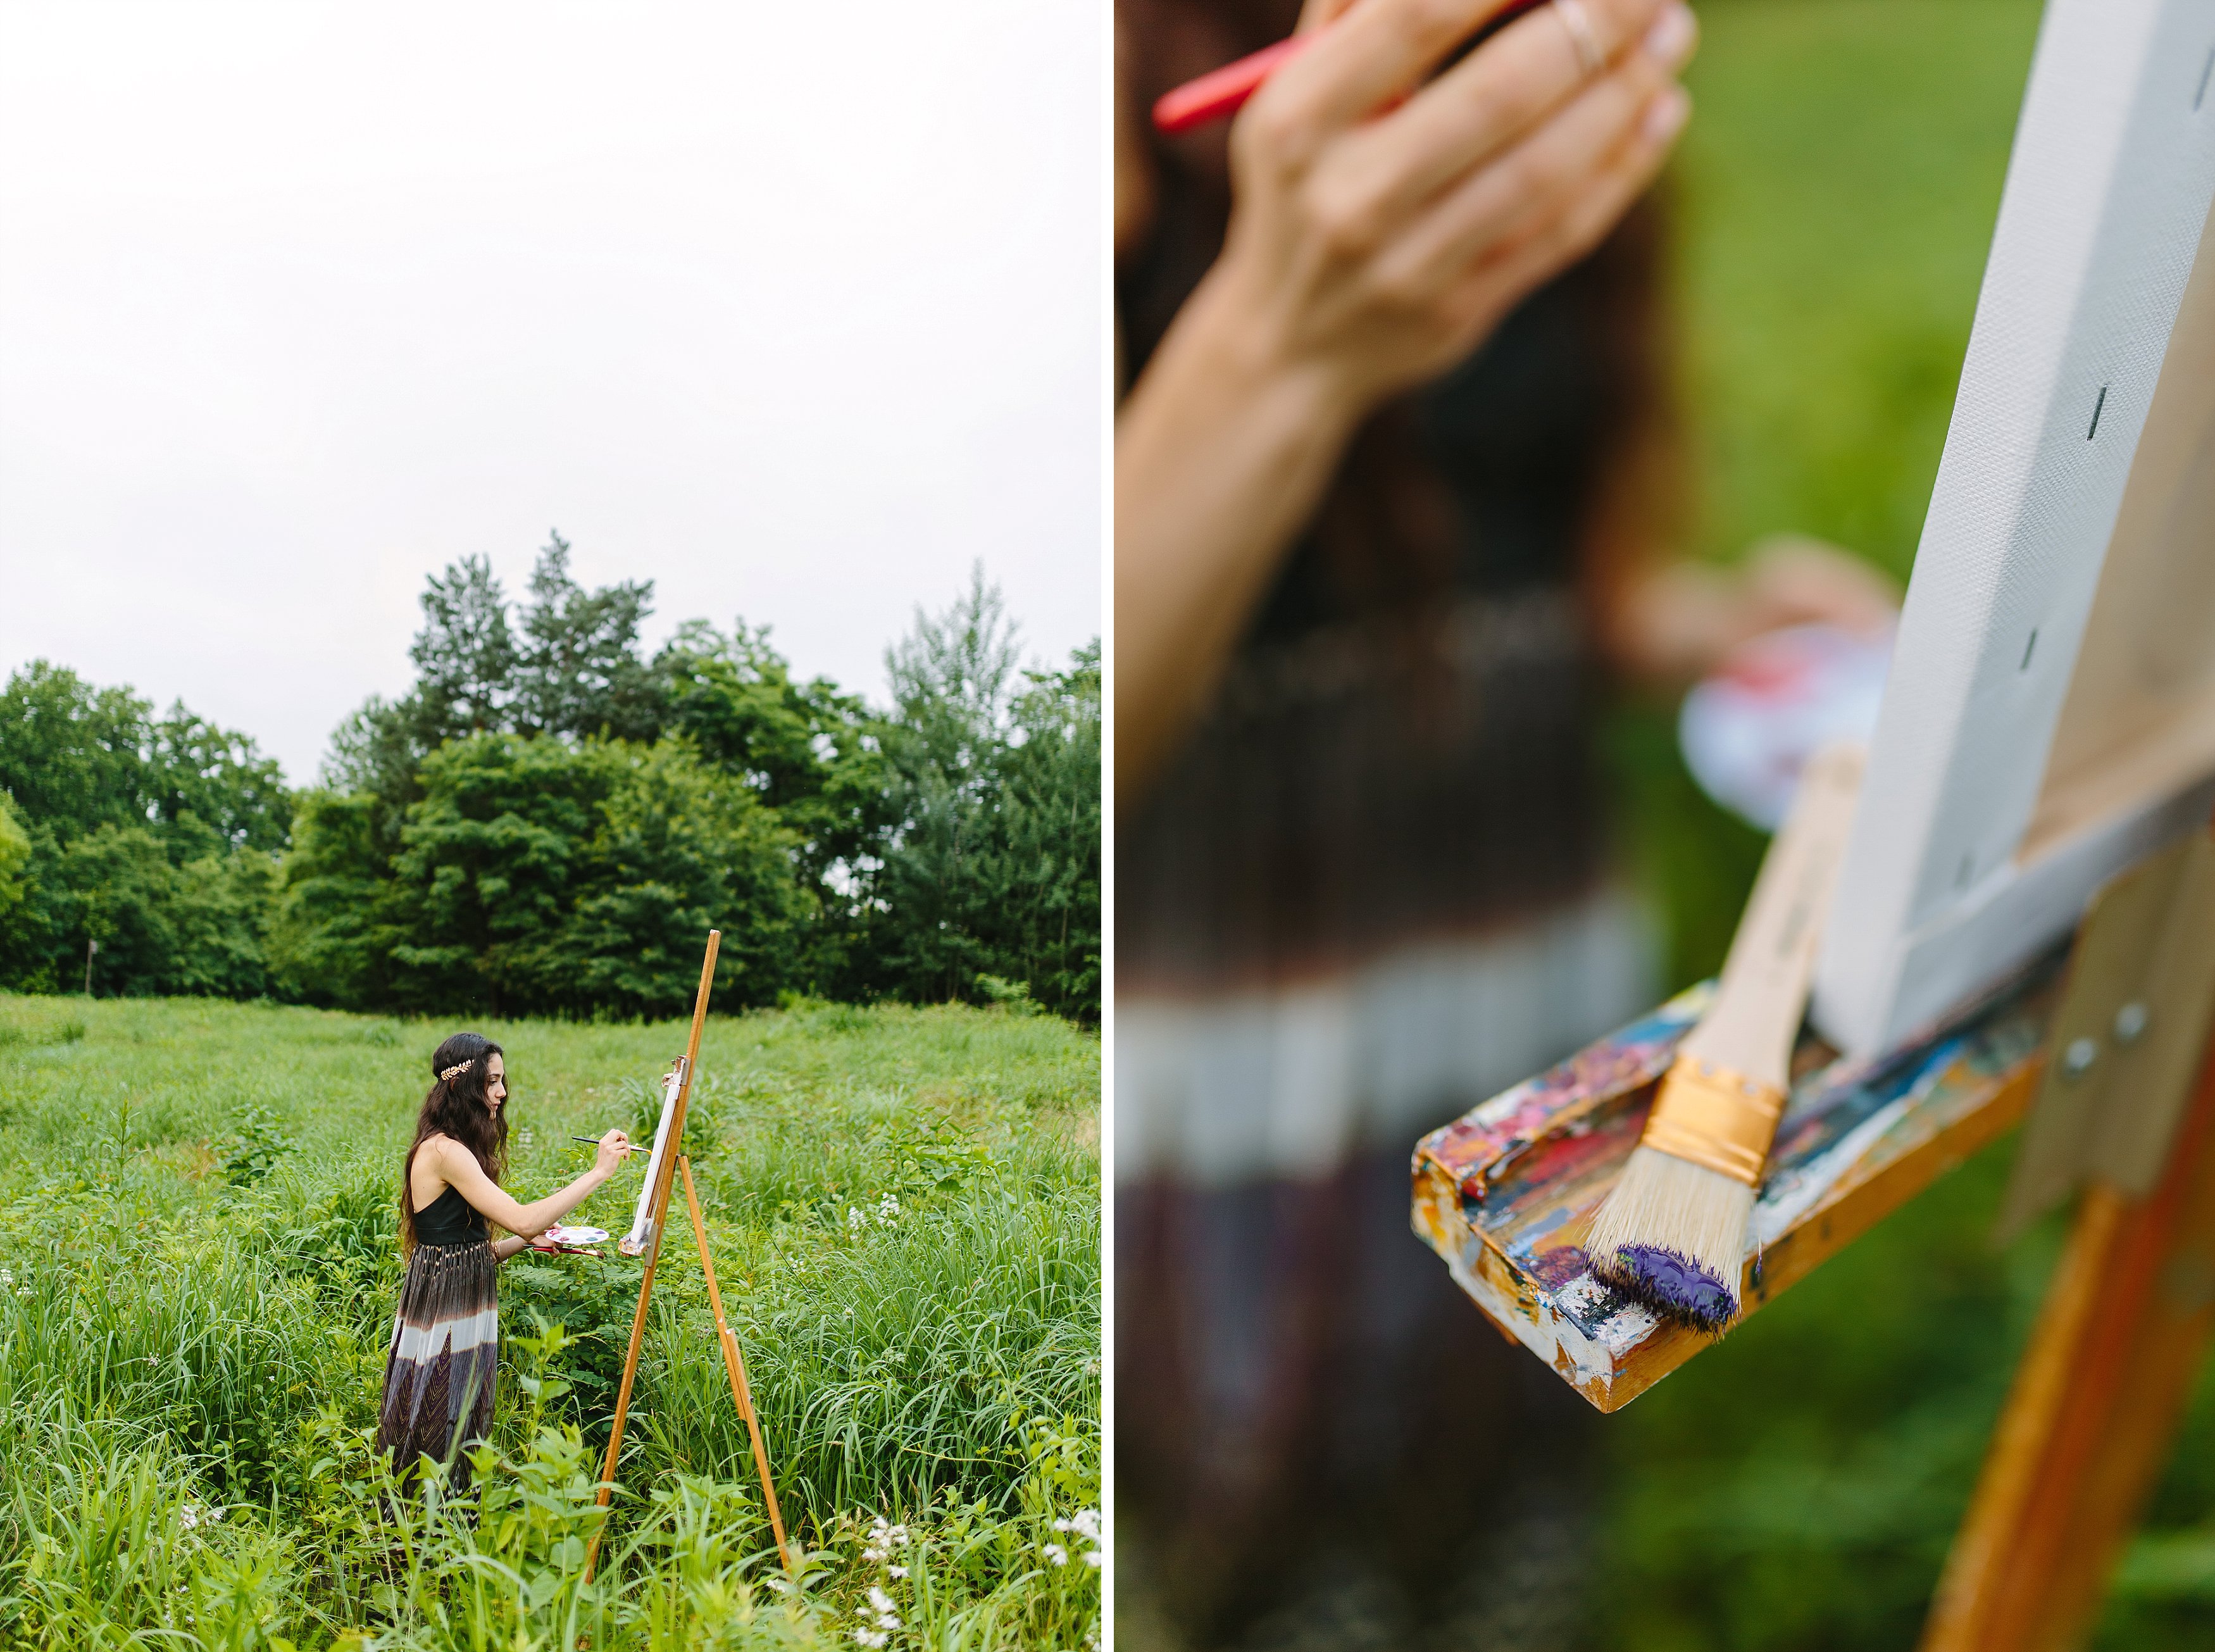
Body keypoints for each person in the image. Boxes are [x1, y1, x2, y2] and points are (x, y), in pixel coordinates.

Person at [1114, 0, 1896, 1642]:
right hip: (1248, 1087)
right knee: (1282, 1583)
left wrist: (1700, 624)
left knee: (1520, 1554)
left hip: (1538, 1032)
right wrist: (1277, 335)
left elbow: (1540, 557)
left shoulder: (1549, 52)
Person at [377, 1030, 630, 1491]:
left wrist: (533, 1244)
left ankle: (444, 1530)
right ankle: (420, 1536)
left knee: (456, 1418)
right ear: (466, 1083)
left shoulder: (456, 1148)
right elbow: (525, 1220)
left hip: (459, 1295)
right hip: (446, 1309)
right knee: (437, 1416)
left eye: (503, 1081)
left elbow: (474, 1251)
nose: (502, 1092)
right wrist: (598, 1173)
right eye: (493, 1081)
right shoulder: (444, 1152)